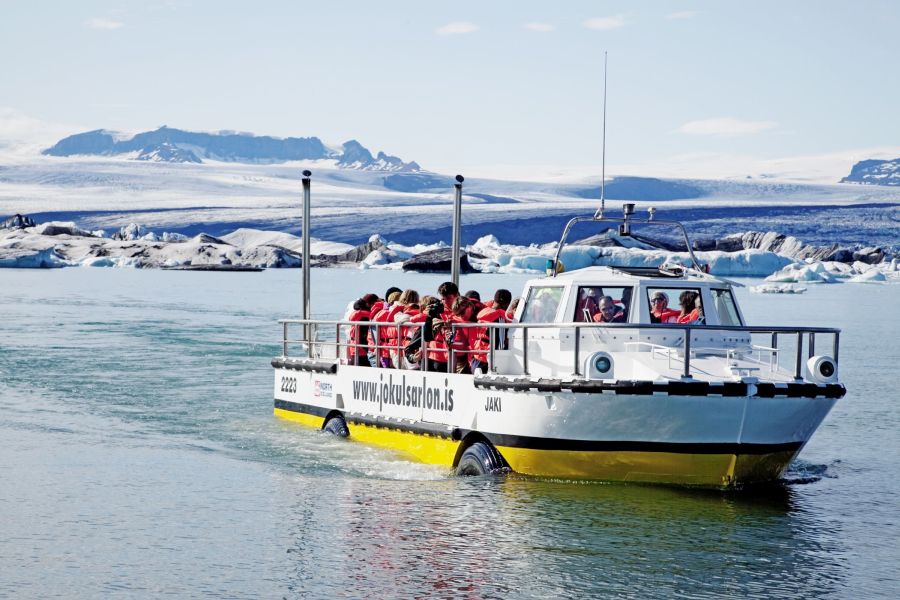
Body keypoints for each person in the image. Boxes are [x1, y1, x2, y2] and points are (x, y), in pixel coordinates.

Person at [471, 289, 512, 373]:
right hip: (488, 361)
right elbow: (500, 343)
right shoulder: (499, 317)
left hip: (476, 359)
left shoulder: (484, 313)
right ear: (507, 303)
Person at [346, 297, 372, 366]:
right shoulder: (363, 316)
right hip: (361, 350)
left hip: (353, 348)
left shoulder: (355, 315)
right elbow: (362, 336)